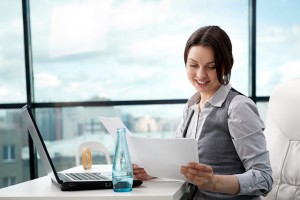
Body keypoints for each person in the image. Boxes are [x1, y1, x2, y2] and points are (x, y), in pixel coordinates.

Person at [133, 25, 273, 200]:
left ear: (226, 65)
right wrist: (152, 171)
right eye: (193, 65)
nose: (200, 74)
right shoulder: (191, 106)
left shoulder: (238, 107)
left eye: (211, 67)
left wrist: (214, 182)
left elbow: (264, 179)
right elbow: (179, 164)